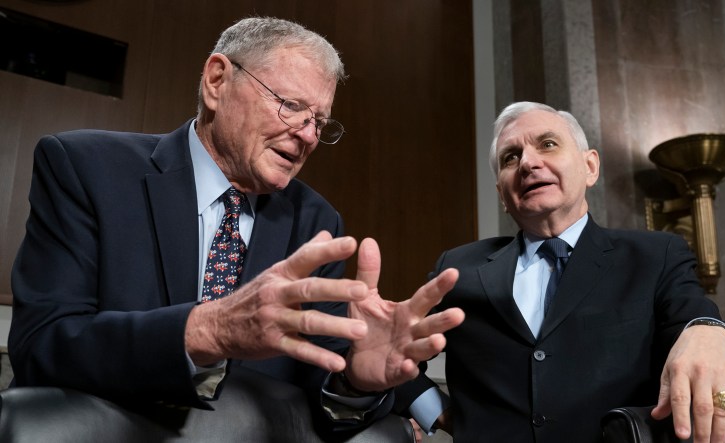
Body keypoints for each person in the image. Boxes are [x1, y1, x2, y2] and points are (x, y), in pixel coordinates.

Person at [8, 16, 464, 436]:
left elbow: (317, 410)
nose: (307, 135)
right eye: (290, 105)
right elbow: (42, 347)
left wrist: (354, 380)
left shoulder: (316, 223)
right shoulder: (85, 167)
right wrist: (206, 331)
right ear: (216, 81)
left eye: (318, 122)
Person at [395, 101, 725, 443]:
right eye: (510, 157)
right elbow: (393, 353)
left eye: (547, 144)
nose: (528, 163)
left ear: (590, 166)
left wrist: (709, 333)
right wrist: (440, 413)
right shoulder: (458, 269)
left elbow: (697, 324)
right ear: (503, 194)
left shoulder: (656, 255)